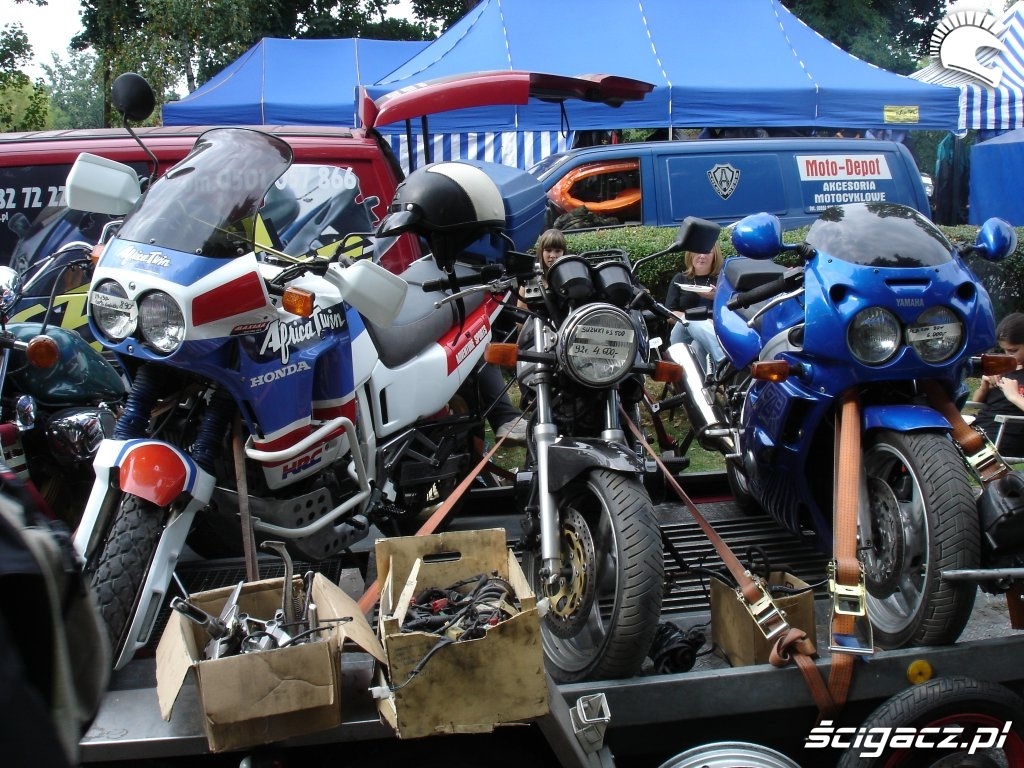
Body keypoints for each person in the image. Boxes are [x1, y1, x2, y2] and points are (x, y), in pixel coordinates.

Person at [663, 243, 727, 371]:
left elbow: (731, 311)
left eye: (707, 252)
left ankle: (698, 382)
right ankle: (724, 360)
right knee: (691, 317)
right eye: (698, 251)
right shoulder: (680, 279)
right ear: (691, 255)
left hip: (712, 332)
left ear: (715, 256)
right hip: (682, 331)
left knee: (696, 346)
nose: (702, 256)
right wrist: (702, 321)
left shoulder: (722, 280)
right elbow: (669, 314)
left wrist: (717, 297)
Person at [972, 312, 1024, 457]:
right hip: (978, 430)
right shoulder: (1004, 367)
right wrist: (984, 387)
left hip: (1003, 436)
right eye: (1005, 350)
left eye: (1013, 350)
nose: (1008, 355)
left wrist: (1014, 396)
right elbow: (975, 403)